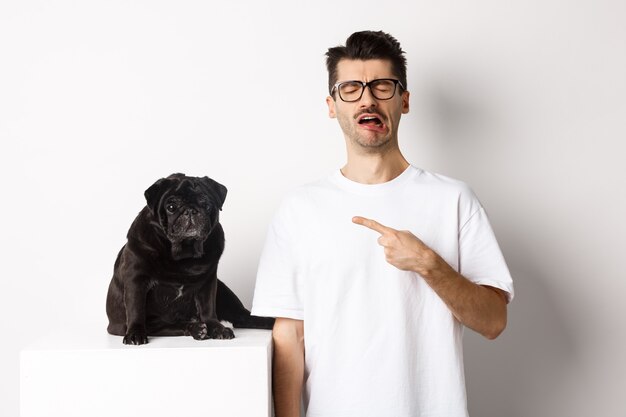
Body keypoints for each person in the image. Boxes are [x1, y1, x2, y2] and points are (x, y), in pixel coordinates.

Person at [251, 30, 514, 417]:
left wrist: (430, 264)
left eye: (382, 86)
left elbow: (493, 322)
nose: (368, 99)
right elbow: (289, 335)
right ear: (331, 104)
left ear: (404, 101)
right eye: (351, 88)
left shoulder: (453, 199)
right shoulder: (300, 208)